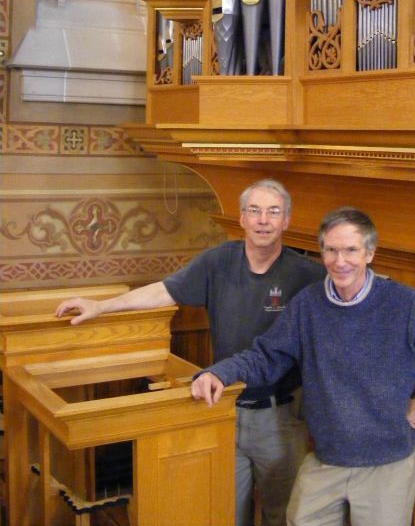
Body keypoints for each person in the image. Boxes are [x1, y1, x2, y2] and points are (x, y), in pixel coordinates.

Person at [192, 206, 415, 526]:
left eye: (351, 250)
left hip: (386, 464)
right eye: (331, 250)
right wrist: (219, 372)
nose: (340, 261)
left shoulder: (404, 305)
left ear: (369, 253)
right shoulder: (308, 306)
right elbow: (266, 356)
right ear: (321, 252)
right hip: (327, 459)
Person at [55, 179, 325, 526]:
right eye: (254, 211)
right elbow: (164, 292)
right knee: (222, 511)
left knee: (282, 515)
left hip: (280, 417)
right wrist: (102, 306)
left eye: (273, 212)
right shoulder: (218, 262)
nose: (263, 220)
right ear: (242, 218)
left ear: (286, 220)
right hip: (222, 407)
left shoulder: (307, 274)